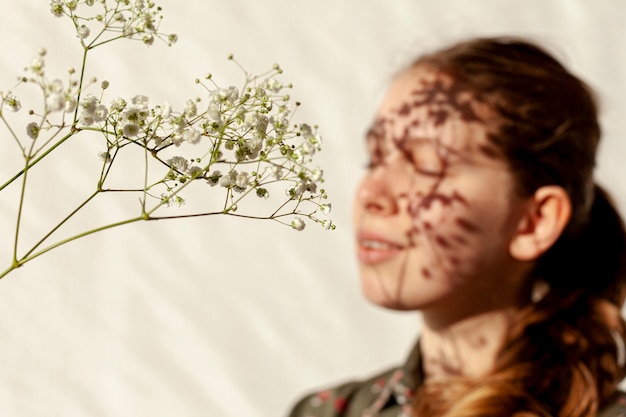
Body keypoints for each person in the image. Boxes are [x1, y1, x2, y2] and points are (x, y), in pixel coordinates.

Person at [287, 37, 626, 417]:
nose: (371, 193)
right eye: (374, 158)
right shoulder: (331, 412)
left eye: (426, 165)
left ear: (535, 222)